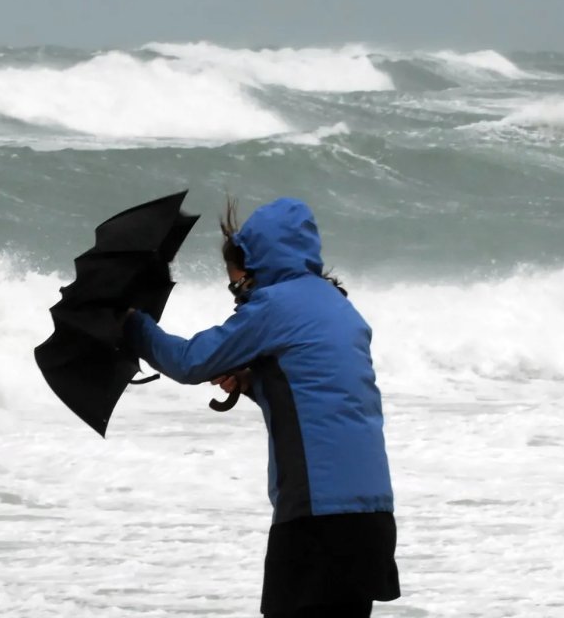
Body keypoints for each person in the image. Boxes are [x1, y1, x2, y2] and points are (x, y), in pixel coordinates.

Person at [123, 197, 400, 617]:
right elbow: (320, 388)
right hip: (371, 517)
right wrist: (255, 382)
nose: (238, 300)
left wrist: (133, 323)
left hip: (317, 515)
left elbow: (189, 362)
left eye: (237, 286)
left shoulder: (275, 306)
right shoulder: (339, 306)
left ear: (256, 269)